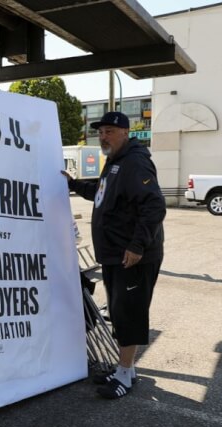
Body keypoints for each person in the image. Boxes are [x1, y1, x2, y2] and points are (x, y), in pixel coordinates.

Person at [65, 111, 166, 399]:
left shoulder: (134, 162)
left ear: (125, 132)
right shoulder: (115, 162)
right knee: (119, 311)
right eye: (101, 131)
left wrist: (136, 247)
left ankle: (124, 375)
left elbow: (155, 206)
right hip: (114, 255)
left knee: (129, 312)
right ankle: (127, 369)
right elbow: (101, 193)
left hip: (132, 256)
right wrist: (73, 184)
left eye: (110, 130)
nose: (104, 136)